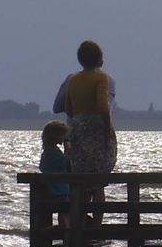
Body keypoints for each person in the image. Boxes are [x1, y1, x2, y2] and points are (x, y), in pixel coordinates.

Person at [52, 41, 116, 212]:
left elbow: (61, 108)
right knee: (98, 183)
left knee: (79, 183)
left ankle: (79, 226)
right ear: (100, 60)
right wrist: (107, 130)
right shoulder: (107, 79)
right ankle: (96, 230)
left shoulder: (71, 79)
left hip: (76, 135)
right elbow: (105, 107)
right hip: (97, 133)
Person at [39, 120, 71, 201]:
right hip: (59, 189)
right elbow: (65, 161)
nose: (64, 137)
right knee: (64, 211)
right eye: (62, 135)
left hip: (48, 189)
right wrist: (68, 151)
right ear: (56, 136)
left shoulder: (46, 153)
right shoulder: (55, 152)